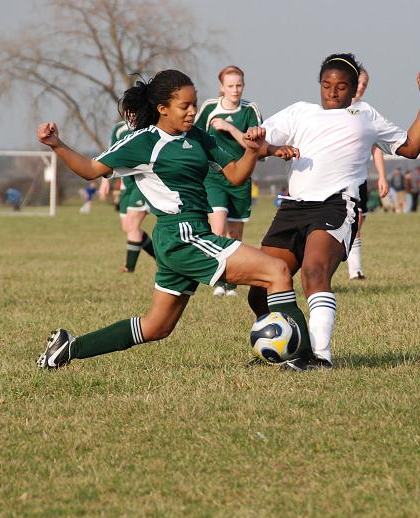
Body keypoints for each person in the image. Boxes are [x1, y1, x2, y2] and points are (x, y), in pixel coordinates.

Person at [36, 69, 314, 370]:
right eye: (185, 106)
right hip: (182, 235)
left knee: (157, 327)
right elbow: (91, 168)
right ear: (162, 109)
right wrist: (57, 144)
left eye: (194, 103)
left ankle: (68, 348)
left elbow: (235, 175)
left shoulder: (196, 136)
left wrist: (253, 151)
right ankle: (303, 357)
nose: (193, 111)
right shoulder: (143, 142)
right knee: (276, 270)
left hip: (185, 235)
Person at [246, 53, 420, 371]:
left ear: (354, 88)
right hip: (293, 207)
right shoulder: (299, 112)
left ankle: (320, 357)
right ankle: (283, 347)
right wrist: (260, 140)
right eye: (326, 84)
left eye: (341, 85)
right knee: (260, 289)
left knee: (314, 272)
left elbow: (411, 147)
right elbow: (258, 143)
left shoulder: (364, 115)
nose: (333, 91)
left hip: (336, 204)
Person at [195, 65, 263, 297]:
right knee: (217, 227)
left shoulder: (250, 110)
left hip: (241, 178)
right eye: (231, 86)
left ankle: (232, 283)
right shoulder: (209, 109)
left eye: (239, 85)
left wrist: (229, 127)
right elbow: (195, 137)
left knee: (235, 234)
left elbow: (254, 146)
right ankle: (218, 279)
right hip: (213, 176)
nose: (235, 90)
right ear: (221, 88)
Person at [99, 109, 157, 273]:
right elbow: (110, 154)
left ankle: (129, 267)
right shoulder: (119, 129)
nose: (132, 114)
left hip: (143, 183)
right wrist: (105, 181)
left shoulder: (150, 127)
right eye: (129, 110)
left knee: (132, 224)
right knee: (128, 228)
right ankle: (160, 259)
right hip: (126, 185)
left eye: (136, 109)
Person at [346, 67, 389, 281]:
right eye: (358, 83)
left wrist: (382, 176)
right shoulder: (333, 108)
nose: (361, 88)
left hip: (359, 177)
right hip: (337, 177)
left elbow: (376, 146)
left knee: (358, 219)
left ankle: (355, 269)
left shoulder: (367, 111)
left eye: (365, 85)